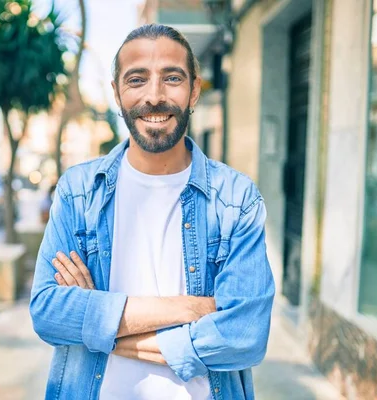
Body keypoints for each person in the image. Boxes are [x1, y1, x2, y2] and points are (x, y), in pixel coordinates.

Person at [30, 24, 275, 400]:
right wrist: (190, 308)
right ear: (117, 92)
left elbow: (245, 336)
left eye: (172, 78)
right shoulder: (79, 191)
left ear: (194, 90)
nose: (155, 96)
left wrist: (96, 320)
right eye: (137, 79)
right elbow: (48, 312)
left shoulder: (235, 198)